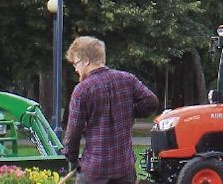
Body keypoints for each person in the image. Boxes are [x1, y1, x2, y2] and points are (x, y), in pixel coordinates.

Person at [62, 36, 160, 184]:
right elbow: (151, 101)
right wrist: (132, 111)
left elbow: (74, 132)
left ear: (86, 61)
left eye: (76, 63)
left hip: (95, 170)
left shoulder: (82, 90)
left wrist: (72, 159)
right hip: (124, 168)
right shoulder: (127, 79)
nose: (75, 69)